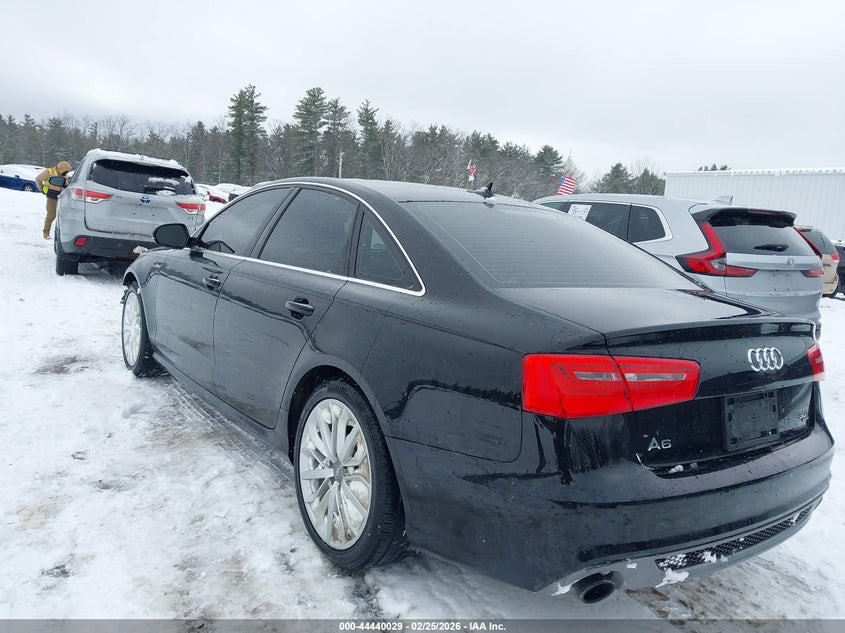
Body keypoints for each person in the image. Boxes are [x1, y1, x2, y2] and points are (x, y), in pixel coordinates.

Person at [35, 160, 72, 240]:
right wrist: (41, 189)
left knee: (62, 215)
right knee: (51, 215)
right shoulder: (48, 172)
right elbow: (38, 179)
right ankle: (46, 233)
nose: (67, 173)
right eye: (66, 171)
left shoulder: (64, 175)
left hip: (61, 196)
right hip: (51, 197)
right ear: (62, 169)